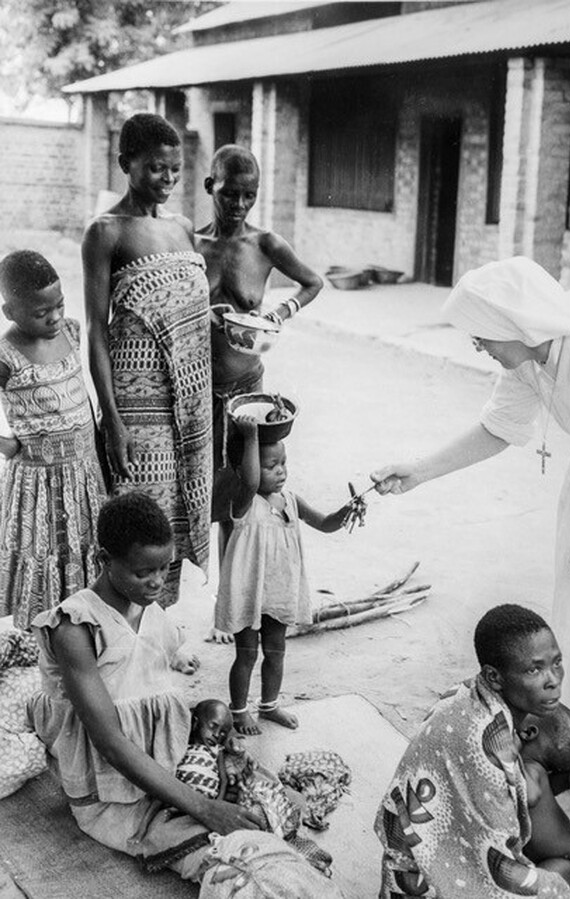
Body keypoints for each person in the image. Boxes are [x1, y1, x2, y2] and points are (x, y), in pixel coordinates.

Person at [27, 491, 345, 895]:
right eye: (145, 572)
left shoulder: (149, 609)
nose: (158, 582)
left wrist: (204, 721)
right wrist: (206, 809)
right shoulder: (75, 627)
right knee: (228, 857)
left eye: (165, 568)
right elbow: (110, 741)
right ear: (103, 561)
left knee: (263, 801)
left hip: (164, 759)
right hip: (114, 789)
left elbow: (149, 694)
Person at [370, 255, 570, 783]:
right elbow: (498, 429)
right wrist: (419, 471)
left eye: (480, 334)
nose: (477, 345)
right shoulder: (527, 363)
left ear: (513, 324)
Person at [375, 603, 570, 899]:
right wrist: (557, 891)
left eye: (556, 663)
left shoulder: (464, 694)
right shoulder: (492, 746)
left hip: (414, 860)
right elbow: (493, 864)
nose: (553, 680)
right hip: (426, 881)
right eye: (534, 669)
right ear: (495, 677)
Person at [82, 112, 212, 607]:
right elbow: (96, 330)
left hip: (191, 404)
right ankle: (125, 641)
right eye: (156, 168)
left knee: (176, 518)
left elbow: (189, 309)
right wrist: (112, 419)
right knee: (143, 522)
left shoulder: (181, 227)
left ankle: (157, 637)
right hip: (140, 411)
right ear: (125, 164)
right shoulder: (107, 232)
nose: (169, 179)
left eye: (175, 169)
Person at [195, 143, 323, 527]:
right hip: (197, 386)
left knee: (243, 491)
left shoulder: (265, 244)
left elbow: (312, 282)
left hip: (244, 387)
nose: (239, 203)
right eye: (229, 192)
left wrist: (279, 313)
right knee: (200, 488)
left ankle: (233, 586)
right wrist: (203, 312)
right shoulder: (191, 245)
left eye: (249, 195)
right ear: (209, 186)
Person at [215, 415, 350, 735]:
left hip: (279, 590)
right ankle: (239, 711)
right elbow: (249, 481)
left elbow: (326, 523)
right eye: (270, 465)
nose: (280, 471)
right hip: (248, 591)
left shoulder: (291, 499)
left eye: (283, 463)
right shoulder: (243, 500)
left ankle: (270, 704)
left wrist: (347, 511)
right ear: (245, 467)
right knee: (246, 654)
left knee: (276, 651)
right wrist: (249, 437)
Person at [0, 250, 105, 629]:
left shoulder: (72, 331)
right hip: (38, 482)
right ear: (10, 312)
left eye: (59, 305)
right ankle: (48, 640)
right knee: (47, 555)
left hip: (83, 473)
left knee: (83, 552)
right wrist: (7, 444)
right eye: (41, 312)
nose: (55, 317)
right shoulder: (5, 355)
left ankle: (85, 635)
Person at [176, 698, 333, 876]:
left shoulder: (218, 752)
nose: (216, 735)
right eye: (213, 727)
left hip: (214, 799)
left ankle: (292, 848)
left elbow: (224, 782)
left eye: (222, 733)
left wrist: (217, 806)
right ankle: (286, 850)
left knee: (261, 812)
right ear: (196, 723)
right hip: (188, 800)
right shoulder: (180, 744)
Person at [518, 704, 570, 889]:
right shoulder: (541, 773)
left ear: (527, 732)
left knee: (533, 887)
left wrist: (508, 751)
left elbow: (531, 797)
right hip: (551, 854)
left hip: (567, 859)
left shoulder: (530, 770)